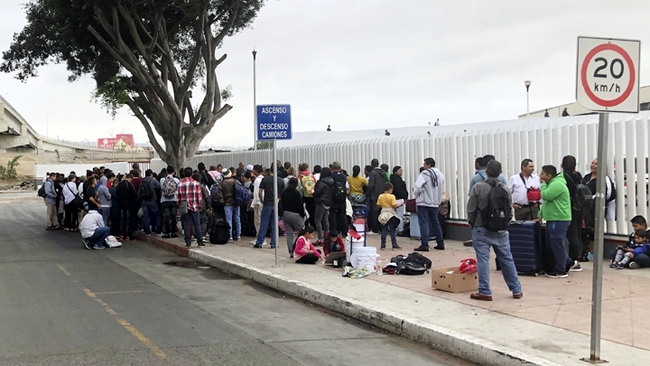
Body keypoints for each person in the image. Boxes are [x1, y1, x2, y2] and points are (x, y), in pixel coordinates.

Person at [466, 160, 522, 301]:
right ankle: (516, 289)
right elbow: (509, 209)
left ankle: (485, 291)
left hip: (481, 228)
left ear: (486, 171)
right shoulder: (505, 189)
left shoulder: (478, 187)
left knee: (483, 260)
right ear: (500, 172)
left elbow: (471, 208)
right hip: (501, 230)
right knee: (507, 259)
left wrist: (472, 223)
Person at [538, 165, 579, 278]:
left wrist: (543, 184)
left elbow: (546, 196)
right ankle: (568, 262)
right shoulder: (552, 184)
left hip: (559, 218)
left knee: (557, 243)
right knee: (552, 242)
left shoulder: (556, 184)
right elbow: (547, 203)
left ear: (549, 175)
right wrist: (541, 214)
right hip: (553, 217)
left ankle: (561, 269)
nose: (540, 176)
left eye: (542, 174)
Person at [412, 158, 445, 251]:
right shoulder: (441, 175)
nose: (423, 166)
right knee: (435, 222)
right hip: (435, 202)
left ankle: (425, 244)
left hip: (423, 202)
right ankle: (440, 243)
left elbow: (417, 187)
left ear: (428, 165)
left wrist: (417, 195)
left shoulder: (424, 174)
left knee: (423, 223)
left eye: (424, 164)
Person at [253, 166, 285, 249]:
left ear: (270, 170)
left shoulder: (265, 179)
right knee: (275, 224)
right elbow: (282, 194)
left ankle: (259, 242)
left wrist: (262, 200)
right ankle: (274, 243)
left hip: (267, 203)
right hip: (276, 204)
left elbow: (260, 192)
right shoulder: (281, 181)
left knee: (264, 223)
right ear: (278, 171)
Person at [561, 155, 584, 262]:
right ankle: (578, 255)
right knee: (577, 232)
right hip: (579, 207)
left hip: (568, 207)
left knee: (570, 233)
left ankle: (572, 258)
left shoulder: (563, 177)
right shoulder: (578, 176)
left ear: (562, 165)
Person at [178, 167, 204, 248]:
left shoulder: (180, 184)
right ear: (192, 174)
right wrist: (199, 205)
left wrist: (180, 205)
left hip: (185, 206)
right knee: (196, 223)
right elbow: (199, 196)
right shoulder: (196, 183)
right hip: (194, 206)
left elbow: (178, 197)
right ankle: (199, 240)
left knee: (186, 224)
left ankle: (188, 242)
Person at [280, 177, 305, 257]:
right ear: (297, 184)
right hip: (295, 214)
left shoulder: (284, 192)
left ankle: (291, 251)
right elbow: (300, 205)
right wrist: (302, 214)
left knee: (289, 234)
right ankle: (300, 248)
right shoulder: (296, 193)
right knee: (303, 232)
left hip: (286, 214)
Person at [377, 182, 402, 250]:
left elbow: (379, 205)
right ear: (390, 189)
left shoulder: (380, 196)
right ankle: (394, 244)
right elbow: (394, 205)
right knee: (392, 229)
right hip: (391, 213)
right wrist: (400, 205)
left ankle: (383, 244)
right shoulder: (392, 196)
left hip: (383, 213)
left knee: (384, 229)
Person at [218, 168, 241, 242]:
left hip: (227, 203)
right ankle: (238, 235)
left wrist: (223, 202)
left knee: (229, 220)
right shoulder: (235, 181)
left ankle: (230, 236)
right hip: (236, 202)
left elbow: (220, 195)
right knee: (237, 219)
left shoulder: (222, 184)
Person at [312, 167, 334, 245]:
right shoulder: (332, 181)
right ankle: (326, 238)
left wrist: (313, 194)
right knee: (325, 220)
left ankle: (320, 238)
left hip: (321, 202)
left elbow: (317, 192)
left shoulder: (321, 182)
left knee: (317, 220)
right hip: (329, 202)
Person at [366, 159, 388, 233]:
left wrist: (367, 194)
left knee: (374, 213)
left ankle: (375, 229)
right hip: (382, 195)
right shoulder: (384, 173)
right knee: (382, 212)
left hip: (374, 196)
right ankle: (382, 228)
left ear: (372, 164)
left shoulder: (373, 173)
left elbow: (371, 185)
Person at [328, 161, 349, 237]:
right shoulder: (344, 176)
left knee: (333, 215)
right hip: (342, 198)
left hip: (333, 198)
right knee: (343, 214)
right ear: (340, 168)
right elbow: (347, 187)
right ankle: (344, 232)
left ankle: (334, 231)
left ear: (333, 168)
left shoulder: (331, 176)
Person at [160, 166, 180, 238]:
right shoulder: (176, 180)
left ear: (166, 172)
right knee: (174, 216)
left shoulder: (162, 180)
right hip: (174, 200)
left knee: (166, 217)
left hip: (165, 200)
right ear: (173, 172)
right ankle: (173, 232)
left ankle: (167, 233)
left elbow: (162, 188)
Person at [116, 174, 137, 241]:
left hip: (121, 205)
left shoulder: (119, 184)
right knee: (128, 220)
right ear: (129, 178)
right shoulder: (129, 185)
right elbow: (134, 194)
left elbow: (117, 195)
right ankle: (128, 234)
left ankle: (122, 234)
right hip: (128, 205)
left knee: (122, 219)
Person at [140, 169, 161, 236]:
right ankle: (158, 230)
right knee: (157, 214)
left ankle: (147, 231)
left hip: (144, 200)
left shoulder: (142, 181)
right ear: (151, 174)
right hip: (152, 199)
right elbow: (159, 187)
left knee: (145, 215)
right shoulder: (153, 180)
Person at [390, 166, 408, 233]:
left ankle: (393, 228)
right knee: (399, 215)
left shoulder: (392, 179)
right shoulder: (398, 180)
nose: (401, 172)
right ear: (395, 172)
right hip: (399, 199)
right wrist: (404, 197)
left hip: (393, 199)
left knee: (393, 214)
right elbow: (400, 190)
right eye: (400, 171)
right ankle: (400, 229)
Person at [249, 165, 265, 241]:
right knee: (261, 220)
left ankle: (260, 237)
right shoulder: (263, 179)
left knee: (257, 221)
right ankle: (261, 237)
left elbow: (256, 194)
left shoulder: (257, 180)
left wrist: (252, 205)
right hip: (263, 202)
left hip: (258, 202)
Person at [298, 163, 317, 228]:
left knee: (305, 212)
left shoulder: (300, 177)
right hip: (311, 196)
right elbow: (315, 184)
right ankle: (313, 226)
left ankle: (305, 226)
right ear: (307, 168)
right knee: (312, 212)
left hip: (304, 196)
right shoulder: (312, 176)